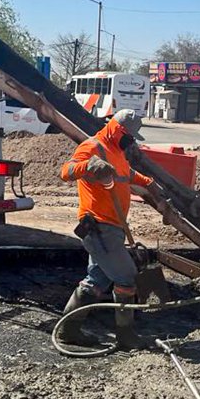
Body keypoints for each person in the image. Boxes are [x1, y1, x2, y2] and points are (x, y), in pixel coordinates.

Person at [56, 110, 153, 349]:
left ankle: (68, 331)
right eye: (129, 137)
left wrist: (148, 182)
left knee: (96, 281)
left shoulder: (118, 152)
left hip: (113, 228)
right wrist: (89, 165)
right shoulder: (93, 147)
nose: (131, 142)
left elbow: (126, 175)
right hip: (99, 227)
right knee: (127, 278)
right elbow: (66, 171)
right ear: (117, 130)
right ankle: (125, 336)